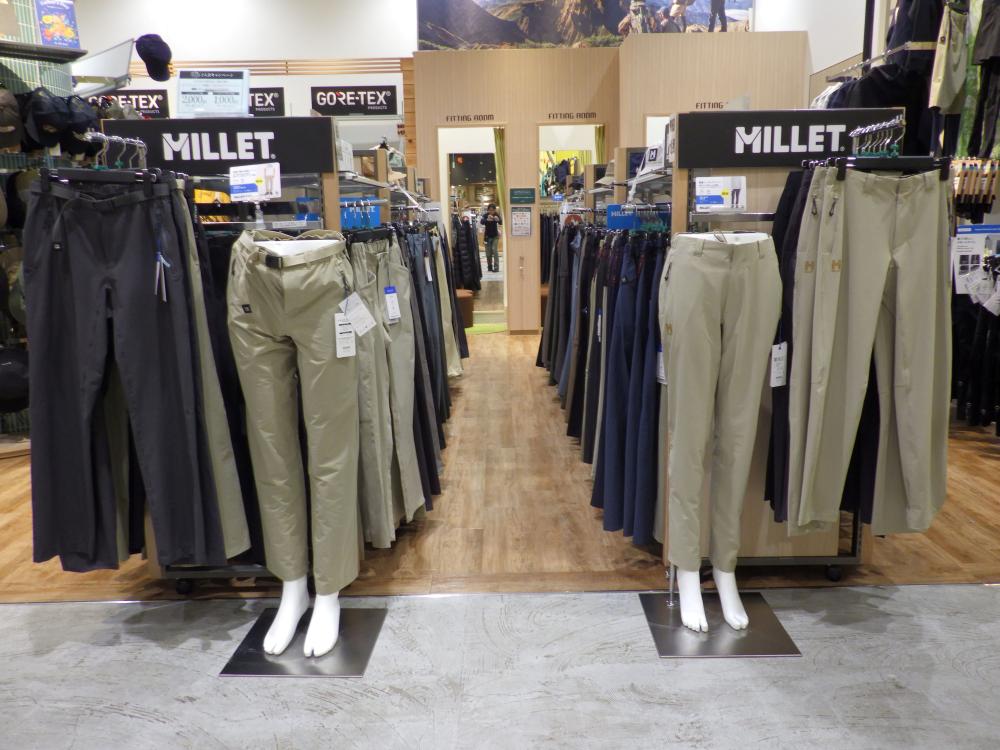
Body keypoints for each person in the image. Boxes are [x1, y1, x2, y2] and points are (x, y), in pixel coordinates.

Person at [480, 203, 503, 273]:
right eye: (489, 210)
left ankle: (496, 267)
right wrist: (487, 220)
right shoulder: (485, 215)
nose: (491, 211)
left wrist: (498, 220)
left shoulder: (496, 215)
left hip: (495, 236)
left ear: (495, 210)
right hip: (487, 237)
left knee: (494, 250)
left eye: (492, 210)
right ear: (488, 210)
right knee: (488, 253)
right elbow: (482, 222)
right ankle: (489, 266)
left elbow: (501, 222)